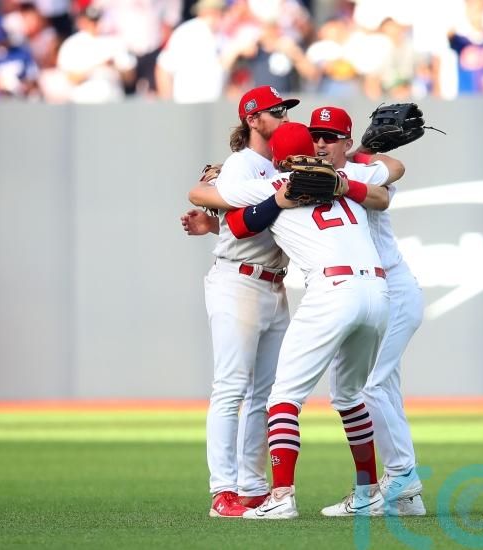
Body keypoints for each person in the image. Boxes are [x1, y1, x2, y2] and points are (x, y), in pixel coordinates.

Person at [189, 122, 392, 519]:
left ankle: (281, 497)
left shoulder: (275, 183)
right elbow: (387, 183)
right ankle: (368, 491)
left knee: (282, 397)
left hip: (333, 289)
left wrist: (220, 178)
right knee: (349, 396)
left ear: (277, 158)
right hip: (377, 291)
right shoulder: (345, 177)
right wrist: (354, 169)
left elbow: (231, 217)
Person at [183, 85, 299, 518]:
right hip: (238, 280)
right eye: (276, 111)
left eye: (285, 110)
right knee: (231, 387)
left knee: (265, 393)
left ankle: (251, 486)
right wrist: (208, 194)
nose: (284, 116)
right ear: (252, 119)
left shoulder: (278, 164)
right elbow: (227, 201)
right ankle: (223, 491)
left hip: (274, 283)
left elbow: (248, 222)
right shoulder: (242, 163)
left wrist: (214, 224)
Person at [305, 106, 426, 517]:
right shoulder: (309, 173)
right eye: (315, 135)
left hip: (393, 288)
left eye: (330, 136)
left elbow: (394, 172)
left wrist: (359, 154)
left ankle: (402, 475)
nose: (321, 143)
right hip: (373, 293)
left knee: (368, 386)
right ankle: (406, 498)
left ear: (345, 140)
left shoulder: (364, 170)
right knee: (383, 388)